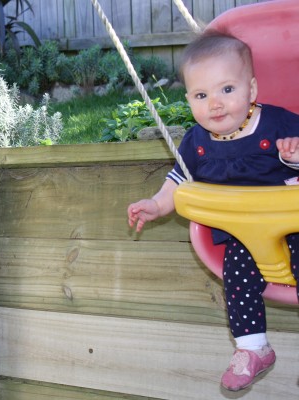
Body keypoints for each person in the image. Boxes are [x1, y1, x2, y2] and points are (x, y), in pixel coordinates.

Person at [127, 31, 299, 392]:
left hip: (293, 226)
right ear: (189, 100)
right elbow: (179, 180)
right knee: (235, 274)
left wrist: (295, 157)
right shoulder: (197, 143)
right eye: (202, 96)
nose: (215, 104)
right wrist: (157, 205)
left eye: (227, 90)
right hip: (243, 235)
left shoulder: (281, 125)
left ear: (251, 91)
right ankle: (253, 348)